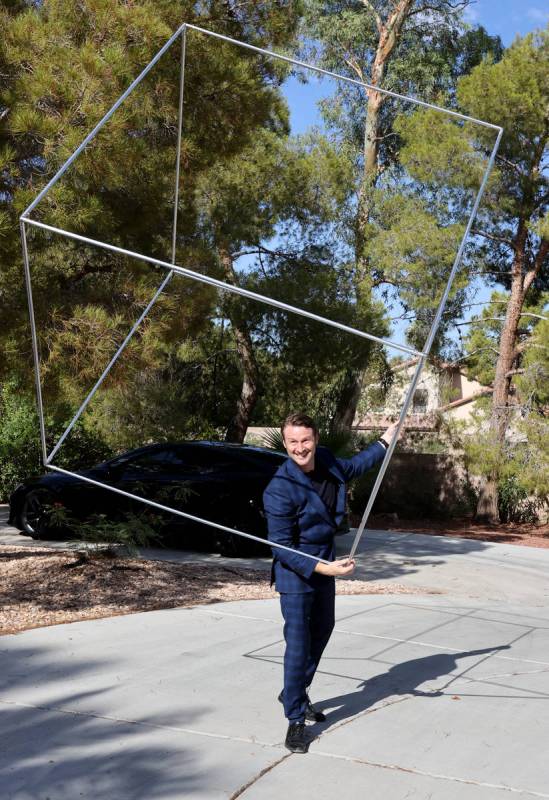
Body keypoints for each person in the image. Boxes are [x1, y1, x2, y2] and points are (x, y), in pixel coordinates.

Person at [262, 412, 399, 754]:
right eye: (292, 441)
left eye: (305, 440)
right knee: (298, 641)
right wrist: (325, 569)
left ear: (316, 439)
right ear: (285, 442)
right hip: (298, 573)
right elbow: (283, 549)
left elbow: (352, 467)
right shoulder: (278, 490)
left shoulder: (324, 460)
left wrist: (385, 440)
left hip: (326, 562)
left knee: (323, 629)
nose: (299, 448)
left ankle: (294, 689)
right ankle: (295, 718)